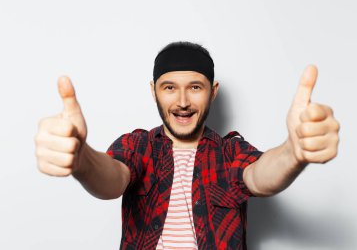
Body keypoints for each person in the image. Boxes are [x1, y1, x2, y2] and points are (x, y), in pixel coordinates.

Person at [34, 41, 340, 250]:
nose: (182, 102)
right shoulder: (137, 146)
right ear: (154, 91)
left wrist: (294, 152)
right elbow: (112, 178)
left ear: (213, 91)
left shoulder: (229, 152)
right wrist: (81, 159)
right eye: (170, 88)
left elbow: (260, 176)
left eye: (195, 87)